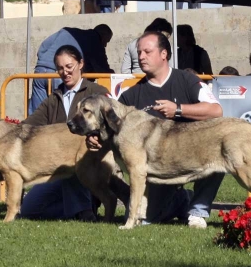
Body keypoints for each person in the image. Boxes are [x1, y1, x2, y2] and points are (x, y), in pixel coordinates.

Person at [87, 32, 224, 229]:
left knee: (216, 152)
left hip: (194, 156)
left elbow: (216, 110)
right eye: (139, 52)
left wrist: (178, 109)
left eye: (147, 52)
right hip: (159, 171)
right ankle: (181, 200)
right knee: (147, 220)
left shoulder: (188, 80)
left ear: (163, 54)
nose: (141, 57)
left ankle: (197, 212)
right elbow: (110, 129)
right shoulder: (129, 95)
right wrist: (95, 139)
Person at [20, 45, 110, 222]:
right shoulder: (53, 99)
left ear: (81, 64)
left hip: (91, 164)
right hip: (57, 170)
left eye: (69, 66)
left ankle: (85, 212)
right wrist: (5, 134)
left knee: (72, 164)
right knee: (28, 210)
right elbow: (28, 125)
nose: (65, 72)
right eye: (60, 68)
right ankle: (77, 208)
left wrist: (96, 137)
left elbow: (110, 124)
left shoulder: (97, 93)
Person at [29, 24, 114, 114]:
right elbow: (102, 68)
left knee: (37, 113)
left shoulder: (66, 31)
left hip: (40, 71)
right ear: (103, 36)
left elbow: (43, 47)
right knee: (62, 114)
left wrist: (45, 63)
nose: (105, 45)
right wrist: (115, 75)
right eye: (107, 41)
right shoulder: (95, 40)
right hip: (58, 74)